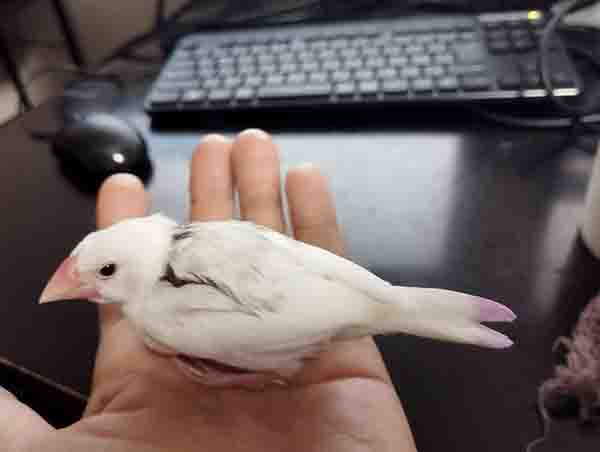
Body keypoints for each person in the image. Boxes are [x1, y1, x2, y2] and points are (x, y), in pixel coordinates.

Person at [1, 129, 417, 452]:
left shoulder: (157, 319)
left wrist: (379, 306)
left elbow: (277, 329)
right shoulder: (189, 254)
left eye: (106, 271)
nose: (75, 284)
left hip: (320, 321)